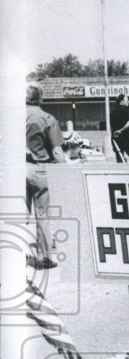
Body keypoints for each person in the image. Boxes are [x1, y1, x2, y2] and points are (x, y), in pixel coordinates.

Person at [25, 83, 65, 269]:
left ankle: (14, 253)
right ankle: (44, 256)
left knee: (17, 212)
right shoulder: (48, 118)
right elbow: (57, 151)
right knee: (43, 215)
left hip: (17, 169)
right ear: (40, 98)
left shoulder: (11, 117)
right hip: (41, 169)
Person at [110, 93, 129, 162]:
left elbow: (111, 126)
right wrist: (121, 130)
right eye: (127, 100)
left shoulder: (112, 112)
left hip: (116, 139)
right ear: (121, 102)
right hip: (125, 138)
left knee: (120, 159)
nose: (128, 101)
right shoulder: (126, 110)